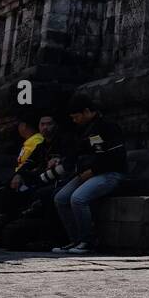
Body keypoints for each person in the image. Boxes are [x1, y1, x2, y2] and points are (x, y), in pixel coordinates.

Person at [52, 95, 126, 254]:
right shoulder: (85, 129)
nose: (74, 120)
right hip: (88, 173)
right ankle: (75, 240)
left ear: (86, 112)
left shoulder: (107, 127)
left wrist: (93, 171)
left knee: (78, 199)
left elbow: (114, 156)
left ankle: (87, 241)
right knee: (60, 198)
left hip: (110, 173)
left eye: (76, 116)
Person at [0, 113, 63, 245]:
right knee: (5, 189)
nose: (46, 127)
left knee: (36, 194)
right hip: (38, 178)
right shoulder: (41, 146)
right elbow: (28, 164)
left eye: (49, 124)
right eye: (43, 124)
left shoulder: (61, 142)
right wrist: (18, 175)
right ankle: (1, 227)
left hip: (53, 180)